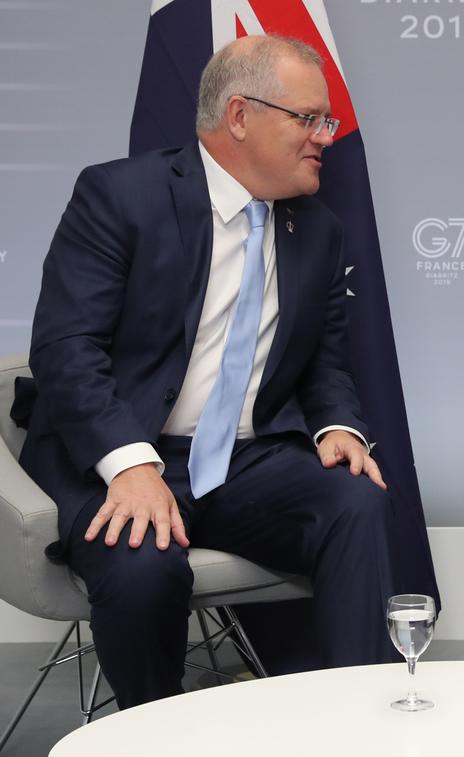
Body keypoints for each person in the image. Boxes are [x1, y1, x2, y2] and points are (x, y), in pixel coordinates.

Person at [15, 35, 396, 708]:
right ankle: (153, 737)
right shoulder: (120, 196)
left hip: (243, 463)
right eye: (308, 119)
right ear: (241, 116)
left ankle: (353, 721)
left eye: (326, 121)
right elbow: (66, 350)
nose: (324, 138)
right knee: (142, 565)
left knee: (355, 503)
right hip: (119, 454)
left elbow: (325, 364)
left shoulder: (318, 230)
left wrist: (340, 424)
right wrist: (129, 465)